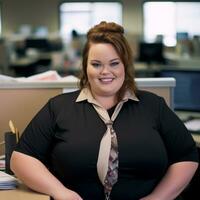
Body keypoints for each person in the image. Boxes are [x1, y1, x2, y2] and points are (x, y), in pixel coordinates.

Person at [10, 21, 199, 200]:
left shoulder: (153, 106)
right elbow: (22, 158)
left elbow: (187, 156)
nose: (105, 72)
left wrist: (158, 198)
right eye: (96, 64)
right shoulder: (59, 107)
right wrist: (59, 192)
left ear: (125, 65)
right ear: (85, 66)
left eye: (114, 63)